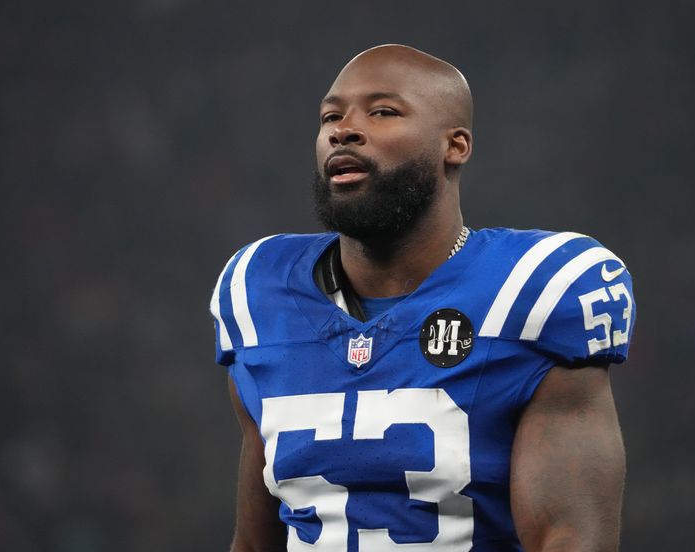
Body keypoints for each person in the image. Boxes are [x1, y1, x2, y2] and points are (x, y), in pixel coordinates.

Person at [210, 44, 635, 552]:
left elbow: (569, 539)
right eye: (330, 116)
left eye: (382, 112)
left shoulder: (534, 290)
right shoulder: (258, 289)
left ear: (455, 145)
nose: (343, 130)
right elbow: (255, 542)